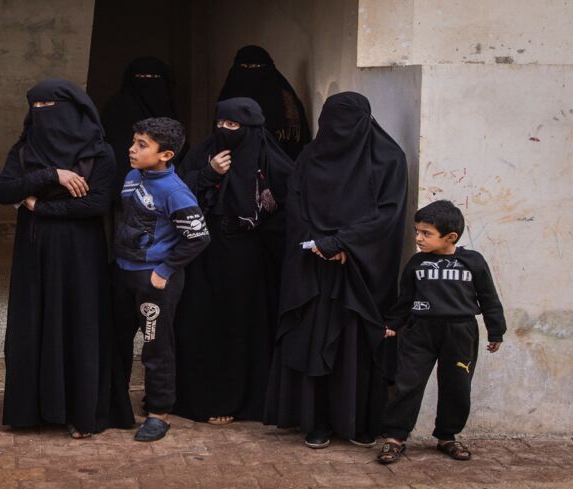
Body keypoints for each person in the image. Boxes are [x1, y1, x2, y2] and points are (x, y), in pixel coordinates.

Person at [265, 92, 408, 449]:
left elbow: (389, 214)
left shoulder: (389, 158)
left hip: (361, 272)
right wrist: (319, 244)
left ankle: (360, 421)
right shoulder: (311, 157)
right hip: (314, 269)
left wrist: (345, 244)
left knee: (357, 344)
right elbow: (294, 205)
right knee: (314, 342)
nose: (336, 130)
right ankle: (318, 422)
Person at [0, 79, 119, 438]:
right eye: (36, 108)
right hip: (34, 253)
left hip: (80, 254)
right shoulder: (24, 149)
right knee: (34, 321)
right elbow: (4, 190)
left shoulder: (99, 153)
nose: (42, 115)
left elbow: (96, 204)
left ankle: (79, 412)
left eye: (50, 107)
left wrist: (39, 205)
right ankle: (32, 410)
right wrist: (52, 175)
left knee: (77, 323)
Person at [173, 97, 294, 424]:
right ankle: (205, 398)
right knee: (200, 322)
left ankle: (242, 400)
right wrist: (208, 174)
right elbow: (177, 193)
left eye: (234, 126)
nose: (224, 130)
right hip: (204, 253)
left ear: (252, 128)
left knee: (243, 325)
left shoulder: (270, 161)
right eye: (221, 124)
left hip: (249, 258)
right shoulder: (203, 154)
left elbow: (289, 210)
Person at [376, 200, 506, 464]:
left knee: (457, 386)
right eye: (417, 231)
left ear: (450, 237)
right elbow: (405, 299)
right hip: (420, 332)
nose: (418, 238)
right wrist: (393, 324)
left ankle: (447, 436)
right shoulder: (416, 263)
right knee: (407, 384)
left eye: (426, 233)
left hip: (460, 333)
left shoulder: (473, 262)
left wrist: (496, 331)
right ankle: (395, 438)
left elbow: (489, 298)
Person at [110, 117, 210, 441]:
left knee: (155, 346)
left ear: (165, 155)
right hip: (123, 274)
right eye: (134, 141)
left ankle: (159, 413)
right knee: (117, 341)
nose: (132, 149)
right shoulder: (130, 177)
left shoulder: (175, 192)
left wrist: (163, 271)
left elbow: (198, 237)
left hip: (154, 281)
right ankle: (114, 406)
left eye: (142, 145)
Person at [101, 56, 181, 201]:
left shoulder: (168, 107)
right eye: (141, 77)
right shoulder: (116, 107)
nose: (147, 82)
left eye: (154, 77)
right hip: (123, 184)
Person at [218, 45, 311, 160]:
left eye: (257, 66)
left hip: (280, 171)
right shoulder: (227, 97)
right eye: (244, 66)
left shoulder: (287, 101)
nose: (251, 73)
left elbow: (296, 145)